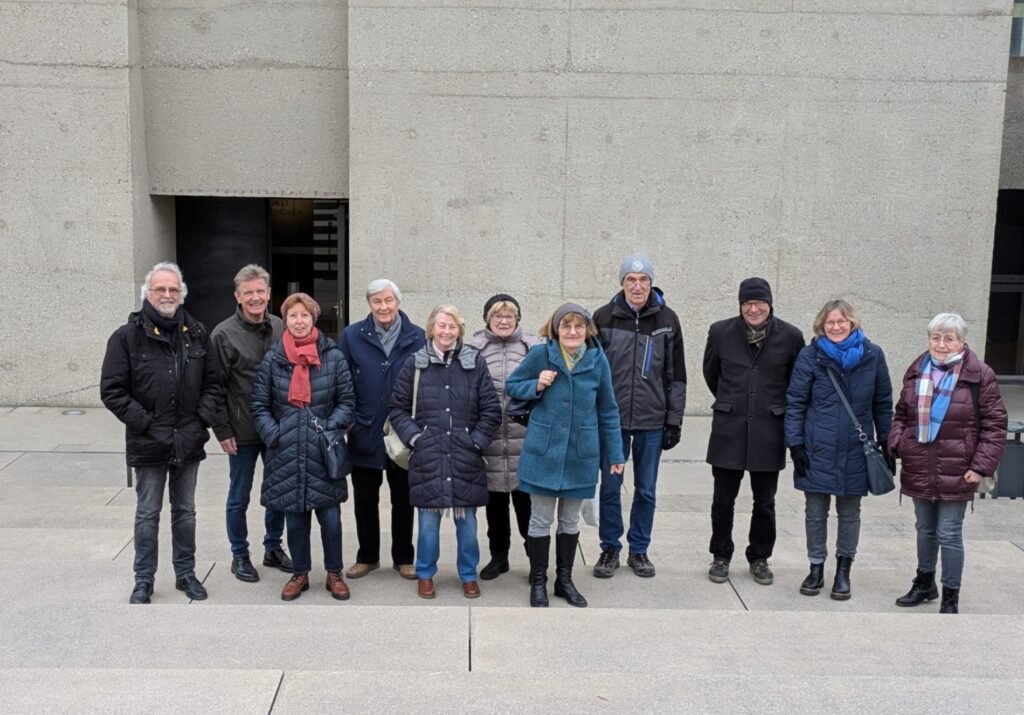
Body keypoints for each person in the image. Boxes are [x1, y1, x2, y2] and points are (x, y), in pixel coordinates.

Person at [100, 261, 221, 604]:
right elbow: (112, 390)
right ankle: (143, 580)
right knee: (147, 513)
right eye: (160, 289)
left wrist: (199, 422)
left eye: (173, 289)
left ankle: (186, 574)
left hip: (188, 440)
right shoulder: (126, 337)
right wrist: (147, 424)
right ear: (147, 294)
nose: (167, 295)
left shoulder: (197, 333)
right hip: (147, 441)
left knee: (185, 512)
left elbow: (213, 384)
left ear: (181, 294)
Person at [507, 304, 625, 607]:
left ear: (588, 330)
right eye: (566, 326)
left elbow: (608, 411)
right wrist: (536, 383)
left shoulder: (598, 360)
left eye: (579, 327)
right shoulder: (541, 354)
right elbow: (512, 386)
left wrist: (615, 454)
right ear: (556, 329)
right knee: (540, 520)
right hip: (542, 453)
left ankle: (564, 580)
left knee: (570, 522)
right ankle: (538, 582)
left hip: (580, 455)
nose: (572, 332)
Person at [888, 313, 1007, 614]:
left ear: (962, 342)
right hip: (920, 464)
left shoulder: (980, 375)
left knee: (949, 533)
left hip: (960, 468)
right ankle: (925, 583)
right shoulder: (916, 371)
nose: (941, 344)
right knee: (924, 530)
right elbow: (901, 414)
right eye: (936, 337)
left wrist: (981, 466)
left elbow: (995, 425)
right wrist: (898, 443)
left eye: (949, 338)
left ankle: (951, 596)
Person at [387, 305, 502, 599]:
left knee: (468, 526)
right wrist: (415, 438)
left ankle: (468, 574)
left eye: (452, 327)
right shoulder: (415, 363)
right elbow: (398, 409)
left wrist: (476, 441)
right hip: (428, 454)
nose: (447, 332)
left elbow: (491, 409)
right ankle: (425, 574)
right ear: (431, 329)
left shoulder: (474, 362)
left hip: (465, 454)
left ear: (459, 330)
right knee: (427, 525)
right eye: (442, 326)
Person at [251, 293, 356, 602]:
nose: (299, 321)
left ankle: (334, 573)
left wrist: (329, 429)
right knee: (295, 519)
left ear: (314, 319)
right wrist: (275, 434)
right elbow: (259, 405)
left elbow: (347, 401)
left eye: (304, 316)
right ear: (286, 320)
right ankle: (300, 573)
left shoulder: (333, 356)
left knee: (331, 519)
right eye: (293, 316)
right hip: (286, 451)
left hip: (323, 451)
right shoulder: (274, 358)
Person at [784, 299, 893, 600]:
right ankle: (816, 567)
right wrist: (794, 444)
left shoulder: (873, 355)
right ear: (821, 326)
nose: (835, 327)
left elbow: (883, 403)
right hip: (817, 448)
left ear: (852, 323)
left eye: (841, 321)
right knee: (815, 512)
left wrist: (887, 443)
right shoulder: (810, 356)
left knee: (849, 513)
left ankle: (843, 570)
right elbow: (795, 403)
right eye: (830, 322)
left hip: (856, 450)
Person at [703, 277, 804, 586]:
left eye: (759, 303)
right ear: (740, 305)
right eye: (747, 303)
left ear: (770, 305)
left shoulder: (791, 336)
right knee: (723, 500)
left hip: (768, 430)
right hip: (728, 428)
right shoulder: (720, 332)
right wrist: (730, 401)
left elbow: (795, 381)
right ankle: (721, 555)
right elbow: (711, 373)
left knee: (765, 501)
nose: (754, 308)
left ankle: (759, 557)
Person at [593, 253, 685, 579]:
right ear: (622, 283)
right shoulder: (603, 317)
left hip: (651, 422)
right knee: (610, 488)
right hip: (612, 422)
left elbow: (677, 376)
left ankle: (639, 550)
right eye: (630, 280)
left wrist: (674, 420)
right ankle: (609, 548)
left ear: (651, 283)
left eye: (643, 279)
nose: (637, 286)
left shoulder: (667, 320)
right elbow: (594, 373)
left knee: (646, 490)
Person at [338, 279, 425, 580]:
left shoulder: (418, 337)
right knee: (364, 499)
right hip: (364, 429)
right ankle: (368, 556)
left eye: (388, 300)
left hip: (403, 432)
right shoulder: (351, 335)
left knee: (403, 498)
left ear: (398, 302)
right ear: (369, 304)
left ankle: (403, 558)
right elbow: (342, 379)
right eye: (377, 301)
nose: (383, 307)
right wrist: (348, 419)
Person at [210, 264, 292, 583]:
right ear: (238, 296)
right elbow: (214, 387)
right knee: (239, 495)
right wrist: (222, 430)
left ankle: (273, 548)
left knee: (277, 493)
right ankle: (239, 554)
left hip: (276, 428)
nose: (255, 298)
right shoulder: (223, 334)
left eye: (260, 291)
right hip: (241, 431)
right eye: (249, 293)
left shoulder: (280, 327)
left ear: (269, 294)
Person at [469, 294, 539, 580]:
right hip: (490, 438)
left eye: (509, 316)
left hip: (525, 438)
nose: (504, 321)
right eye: (498, 316)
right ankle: (499, 557)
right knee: (495, 506)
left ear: (518, 319)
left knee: (527, 506)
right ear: (488, 319)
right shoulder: (473, 349)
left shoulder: (533, 347)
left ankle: (536, 560)